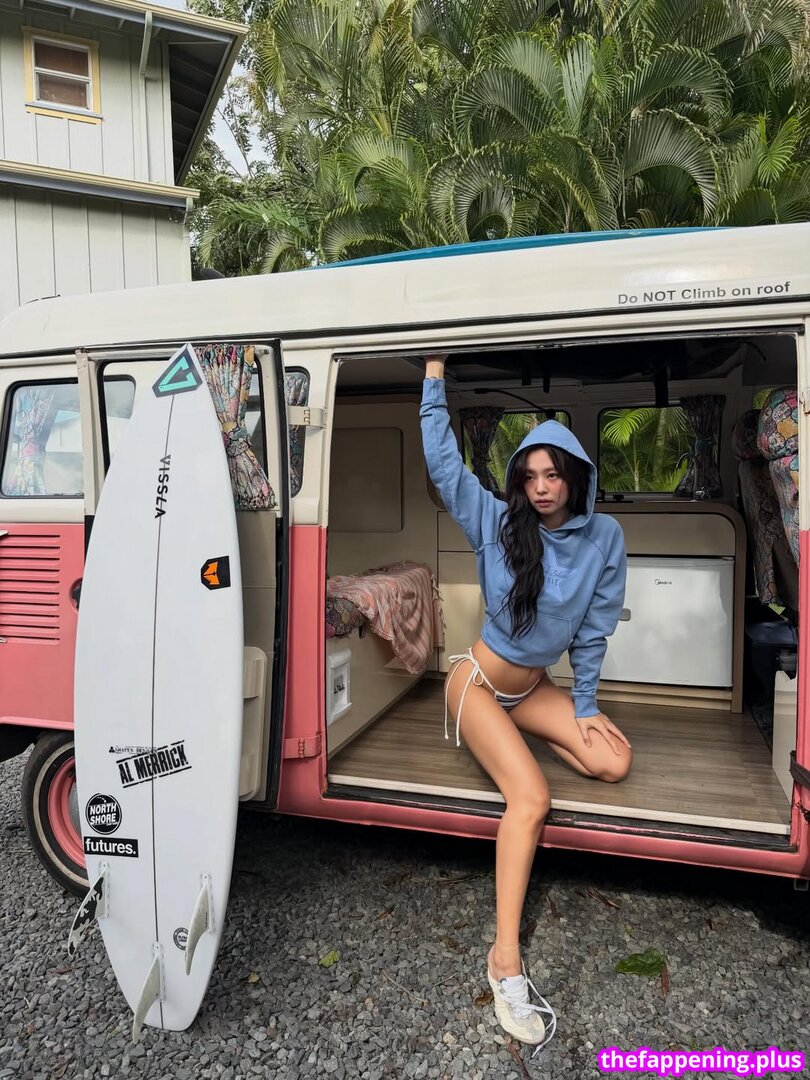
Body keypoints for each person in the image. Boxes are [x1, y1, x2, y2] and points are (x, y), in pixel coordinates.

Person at [420, 355, 632, 1050]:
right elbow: (446, 465)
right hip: (477, 684)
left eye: (552, 475)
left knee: (613, 762)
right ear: (518, 480)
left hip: (533, 688)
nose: (540, 488)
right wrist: (433, 378)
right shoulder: (494, 521)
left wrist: (586, 705)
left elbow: (594, 629)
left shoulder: (603, 538)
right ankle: (504, 960)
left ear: (574, 477)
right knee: (532, 798)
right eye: (529, 475)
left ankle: (526, 736)